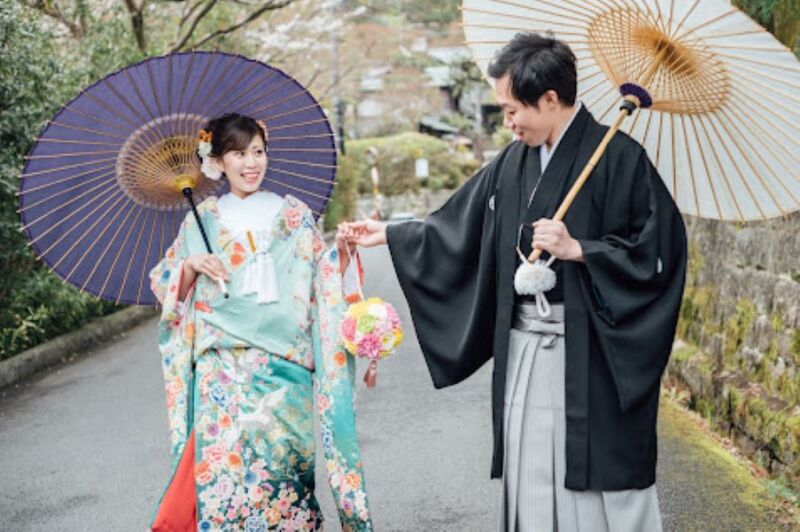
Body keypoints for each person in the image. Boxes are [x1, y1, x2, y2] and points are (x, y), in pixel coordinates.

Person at [345, 33, 687, 531]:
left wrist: (581, 249)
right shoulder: (513, 161)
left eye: (511, 110)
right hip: (526, 347)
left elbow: (659, 255)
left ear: (549, 99)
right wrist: (392, 234)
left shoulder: (621, 158)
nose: (507, 122)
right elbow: (458, 225)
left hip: (594, 355)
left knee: (599, 475)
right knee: (531, 471)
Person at [149, 113, 371, 531]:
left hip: (283, 368)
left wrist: (341, 251)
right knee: (225, 483)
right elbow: (164, 284)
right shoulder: (202, 219)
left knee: (286, 479)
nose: (251, 163)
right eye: (238, 154)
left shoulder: (293, 214)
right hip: (221, 374)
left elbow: (321, 277)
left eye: (258, 152)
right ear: (217, 161)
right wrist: (191, 266)